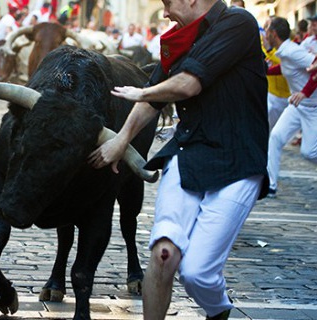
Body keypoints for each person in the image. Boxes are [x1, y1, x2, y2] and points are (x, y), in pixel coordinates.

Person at [88, 1, 269, 319]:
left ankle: (218, 310)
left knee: (197, 274)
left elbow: (186, 84)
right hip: (186, 153)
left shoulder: (238, 22)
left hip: (238, 161)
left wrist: (141, 93)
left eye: (168, 3)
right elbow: (155, 94)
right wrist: (121, 139)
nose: (166, 13)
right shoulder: (181, 37)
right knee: (163, 254)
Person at [264, 16, 317, 198]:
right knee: (276, 137)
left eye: (267, 30)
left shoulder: (292, 51)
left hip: (312, 106)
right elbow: (288, 69)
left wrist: (305, 92)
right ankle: (270, 185)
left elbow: (314, 66)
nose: (265, 34)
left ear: (273, 33)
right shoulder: (286, 52)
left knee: (309, 152)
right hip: (296, 106)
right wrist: (263, 71)